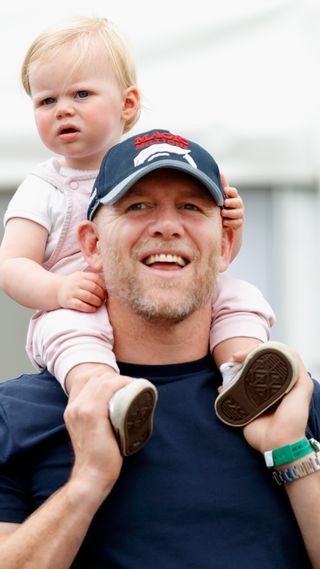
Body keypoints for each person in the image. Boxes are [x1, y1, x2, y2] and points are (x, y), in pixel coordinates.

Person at [0, 129, 319, 569]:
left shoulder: (295, 404)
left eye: (190, 206)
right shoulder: (14, 417)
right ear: (92, 244)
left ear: (225, 244)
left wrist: (289, 451)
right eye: (138, 206)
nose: (168, 226)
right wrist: (86, 484)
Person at [0, 17, 291, 455]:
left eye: (81, 94)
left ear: (127, 104)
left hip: (153, 300)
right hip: (78, 304)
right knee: (71, 332)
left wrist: (234, 222)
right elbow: (11, 264)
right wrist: (57, 289)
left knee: (238, 295)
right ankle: (103, 395)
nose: (62, 109)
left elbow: (213, 256)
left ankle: (243, 371)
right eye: (46, 100)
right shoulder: (44, 187)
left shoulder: (156, 160)